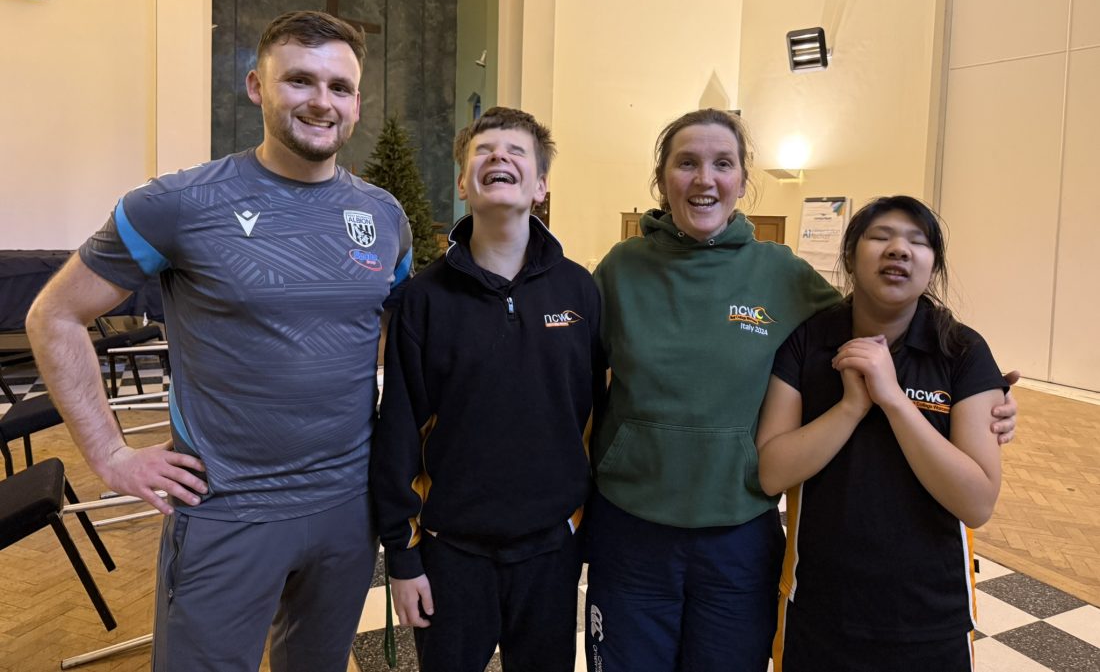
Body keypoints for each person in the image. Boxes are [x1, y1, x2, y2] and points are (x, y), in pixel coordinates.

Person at [26, 10, 412, 672]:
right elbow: (53, 315)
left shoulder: (383, 216)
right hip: (229, 510)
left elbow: (382, 332)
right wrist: (109, 453)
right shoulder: (178, 204)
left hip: (348, 510)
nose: (322, 101)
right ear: (256, 86)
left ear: (356, 101)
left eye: (340, 87)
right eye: (299, 80)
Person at [583, 109, 1017, 672]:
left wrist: (980, 391)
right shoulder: (621, 269)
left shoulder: (780, 273)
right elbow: (568, 371)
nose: (704, 179)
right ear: (663, 178)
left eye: (723, 164)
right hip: (631, 525)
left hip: (737, 529)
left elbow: (875, 313)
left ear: (743, 180)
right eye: (686, 163)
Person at [370, 107, 604, 672]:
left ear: (541, 185)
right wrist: (402, 559)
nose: (499, 156)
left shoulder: (579, 290)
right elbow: (398, 428)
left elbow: (598, 414)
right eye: (484, 150)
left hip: (551, 549)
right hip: (451, 550)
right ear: (462, 182)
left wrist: (587, 529)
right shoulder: (424, 300)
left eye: (517, 151)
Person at [756, 196, 1004, 671]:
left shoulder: (962, 351)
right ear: (850, 257)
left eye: (918, 241)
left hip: (930, 618)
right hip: (819, 610)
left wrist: (892, 399)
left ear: (933, 265)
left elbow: (976, 503)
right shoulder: (809, 341)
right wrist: (851, 406)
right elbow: (771, 473)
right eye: (879, 237)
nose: (899, 250)